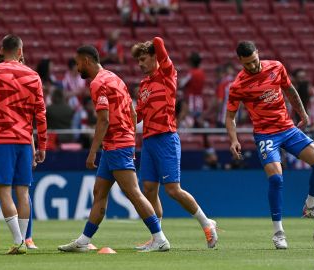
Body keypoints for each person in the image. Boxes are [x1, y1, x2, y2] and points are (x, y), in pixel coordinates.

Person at [58, 45, 170, 253]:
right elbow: (132, 112)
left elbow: (103, 120)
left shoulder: (97, 83)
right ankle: (84, 241)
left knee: (133, 193)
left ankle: (160, 238)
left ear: (87, 61)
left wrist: (92, 152)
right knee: (99, 191)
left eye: (78, 63)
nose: (77, 67)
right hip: (118, 143)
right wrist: (130, 137)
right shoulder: (115, 78)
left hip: (117, 144)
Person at [225, 41, 314, 249]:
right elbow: (230, 117)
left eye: (254, 61)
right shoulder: (238, 85)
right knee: (276, 179)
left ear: (258, 53)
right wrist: (234, 139)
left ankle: (310, 206)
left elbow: (290, 90)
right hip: (266, 135)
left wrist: (302, 113)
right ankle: (278, 233)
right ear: (240, 61)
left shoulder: (276, 67)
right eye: (247, 64)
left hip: (288, 129)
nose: (253, 67)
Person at [131, 37, 218, 249]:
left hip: (166, 137)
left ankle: (207, 223)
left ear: (154, 58)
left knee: (173, 189)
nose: (140, 64)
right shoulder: (144, 85)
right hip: (149, 140)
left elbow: (159, 42)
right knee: (149, 189)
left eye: (143, 59)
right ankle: (157, 237)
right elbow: (139, 115)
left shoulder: (167, 74)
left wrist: (149, 43)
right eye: (138, 61)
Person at [0, 35, 47, 255]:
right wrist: (42, 144)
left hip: (2, 141)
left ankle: (18, 241)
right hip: (25, 142)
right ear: (20, 50)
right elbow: (41, 114)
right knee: (23, 193)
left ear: (2, 49)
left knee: (3, 192)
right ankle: (24, 239)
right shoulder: (34, 76)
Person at [179, 52, 205, 117]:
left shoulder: (191, 73)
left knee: (189, 117)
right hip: (199, 99)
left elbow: (182, 84)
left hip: (191, 99)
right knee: (197, 118)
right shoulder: (202, 73)